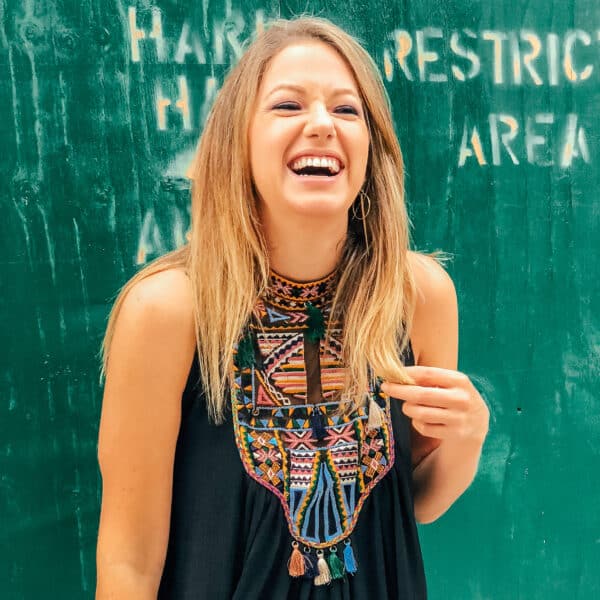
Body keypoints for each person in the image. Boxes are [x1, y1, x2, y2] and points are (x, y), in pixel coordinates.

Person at [95, 16, 489, 600]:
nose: (322, 125)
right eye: (287, 106)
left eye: (347, 110)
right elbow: (129, 561)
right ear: (239, 141)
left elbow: (417, 504)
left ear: (371, 146)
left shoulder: (419, 294)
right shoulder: (170, 310)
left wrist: (468, 438)